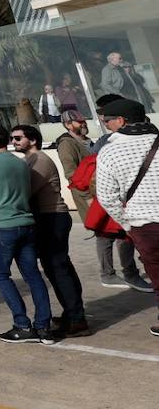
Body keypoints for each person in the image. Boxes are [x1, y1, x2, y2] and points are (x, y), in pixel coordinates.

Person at [0, 124, 55, 344]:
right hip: (26, 222)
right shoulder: (21, 163)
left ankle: (22, 324)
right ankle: (44, 326)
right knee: (33, 275)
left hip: (1, 225)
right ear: (7, 139)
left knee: (0, 274)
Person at [59, 108, 150, 291]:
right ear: (68, 125)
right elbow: (72, 174)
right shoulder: (67, 144)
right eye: (79, 122)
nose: (83, 124)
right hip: (92, 196)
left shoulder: (86, 141)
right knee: (106, 235)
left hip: (102, 193)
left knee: (117, 234)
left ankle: (125, 272)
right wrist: (89, 198)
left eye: (84, 121)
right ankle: (110, 274)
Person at [14, 124, 88, 337]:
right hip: (46, 218)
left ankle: (77, 319)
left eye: (18, 138)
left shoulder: (40, 161)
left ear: (33, 140)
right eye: (13, 138)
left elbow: (26, 191)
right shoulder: (29, 161)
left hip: (52, 217)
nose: (14, 142)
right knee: (57, 267)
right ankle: (72, 313)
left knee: (58, 267)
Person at [94, 97, 159, 337]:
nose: (106, 125)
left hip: (144, 223)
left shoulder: (110, 151)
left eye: (107, 121)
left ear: (120, 121)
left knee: (156, 272)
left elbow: (107, 196)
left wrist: (126, 223)